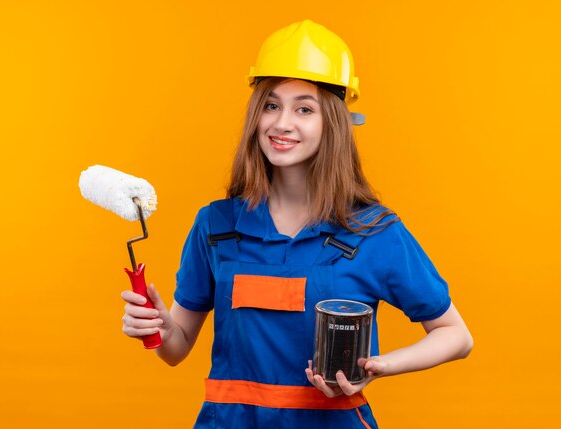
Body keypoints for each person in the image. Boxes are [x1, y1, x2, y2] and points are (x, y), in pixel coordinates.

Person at [121, 20, 473, 428]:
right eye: (271, 105)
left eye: (304, 109)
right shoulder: (215, 225)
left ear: (335, 123)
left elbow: (456, 336)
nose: (281, 123)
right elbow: (176, 348)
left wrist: (378, 365)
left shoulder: (374, 231)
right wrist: (161, 327)